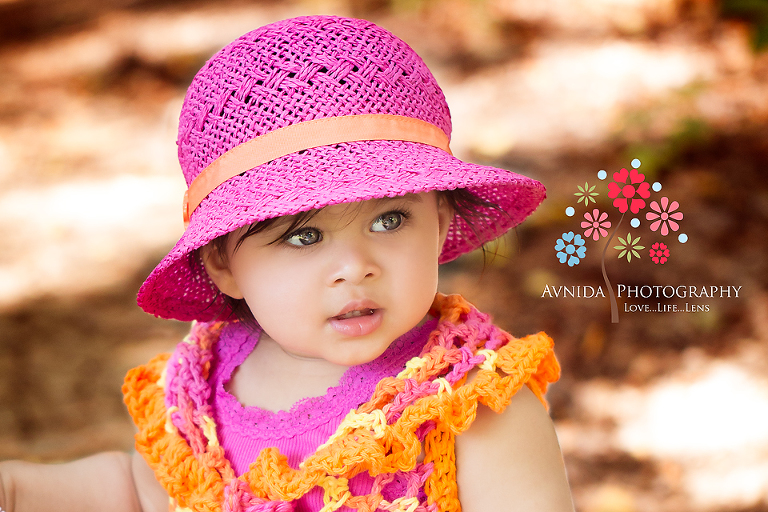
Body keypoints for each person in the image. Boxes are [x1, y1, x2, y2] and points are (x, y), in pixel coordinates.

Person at [0, 15, 574, 512]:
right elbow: (140, 491)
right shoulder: (207, 380)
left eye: (390, 220)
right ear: (223, 265)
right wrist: (17, 493)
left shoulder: (472, 403)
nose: (355, 266)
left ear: (443, 223)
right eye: (303, 237)